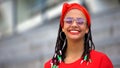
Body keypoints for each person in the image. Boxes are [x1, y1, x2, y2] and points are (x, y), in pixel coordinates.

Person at [44, 2, 113, 68]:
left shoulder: (101, 60)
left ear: (87, 29)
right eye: (69, 21)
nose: (74, 25)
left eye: (80, 21)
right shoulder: (50, 66)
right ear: (63, 27)